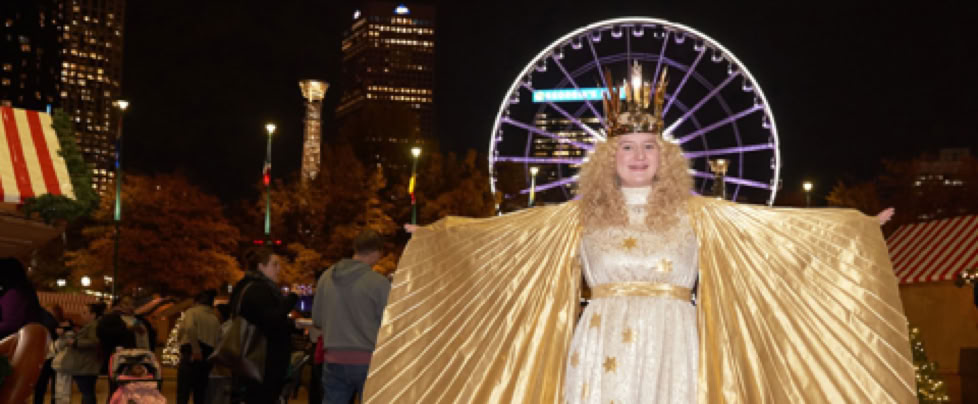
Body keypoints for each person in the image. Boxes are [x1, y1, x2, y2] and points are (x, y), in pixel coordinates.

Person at [362, 63, 916, 403]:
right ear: (609, 156)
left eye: (649, 146)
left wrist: (852, 229)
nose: (637, 155)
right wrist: (436, 237)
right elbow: (501, 243)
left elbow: (775, 236)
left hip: (675, 339)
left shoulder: (701, 214)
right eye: (626, 146)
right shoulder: (575, 216)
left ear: (664, 156)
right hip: (601, 337)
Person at [313, 230, 391, 404]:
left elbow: (317, 319)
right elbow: (389, 324)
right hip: (368, 360)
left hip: (333, 359)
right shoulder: (379, 283)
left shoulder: (326, 277)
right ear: (376, 252)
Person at [229, 247, 298, 404]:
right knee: (262, 397)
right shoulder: (258, 289)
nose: (279, 269)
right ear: (261, 266)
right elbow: (271, 319)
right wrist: (292, 298)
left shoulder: (246, 286)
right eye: (274, 264)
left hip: (254, 359)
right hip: (263, 361)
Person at [177, 290, 220, 404]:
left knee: (183, 392)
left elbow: (189, 327)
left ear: (196, 301)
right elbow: (218, 339)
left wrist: (196, 349)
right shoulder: (214, 318)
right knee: (200, 393)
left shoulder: (192, 312)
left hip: (191, 352)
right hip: (207, 356)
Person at [58, 302, 105, 404]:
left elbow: (94, 342)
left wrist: (75, 342)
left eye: (84, 312)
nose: (81, 315)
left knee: (87, 393)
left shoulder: (93, 326)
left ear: (93, 315)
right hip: (86, 365)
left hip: (86, 366)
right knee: (87, 393)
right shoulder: (91, 325)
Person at [34, 304, 72, 404]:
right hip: (49, 357)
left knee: (55, 387)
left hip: (57, 358)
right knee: (42, 385)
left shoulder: (65, 325)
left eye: (50, 312)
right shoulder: (47, 324)